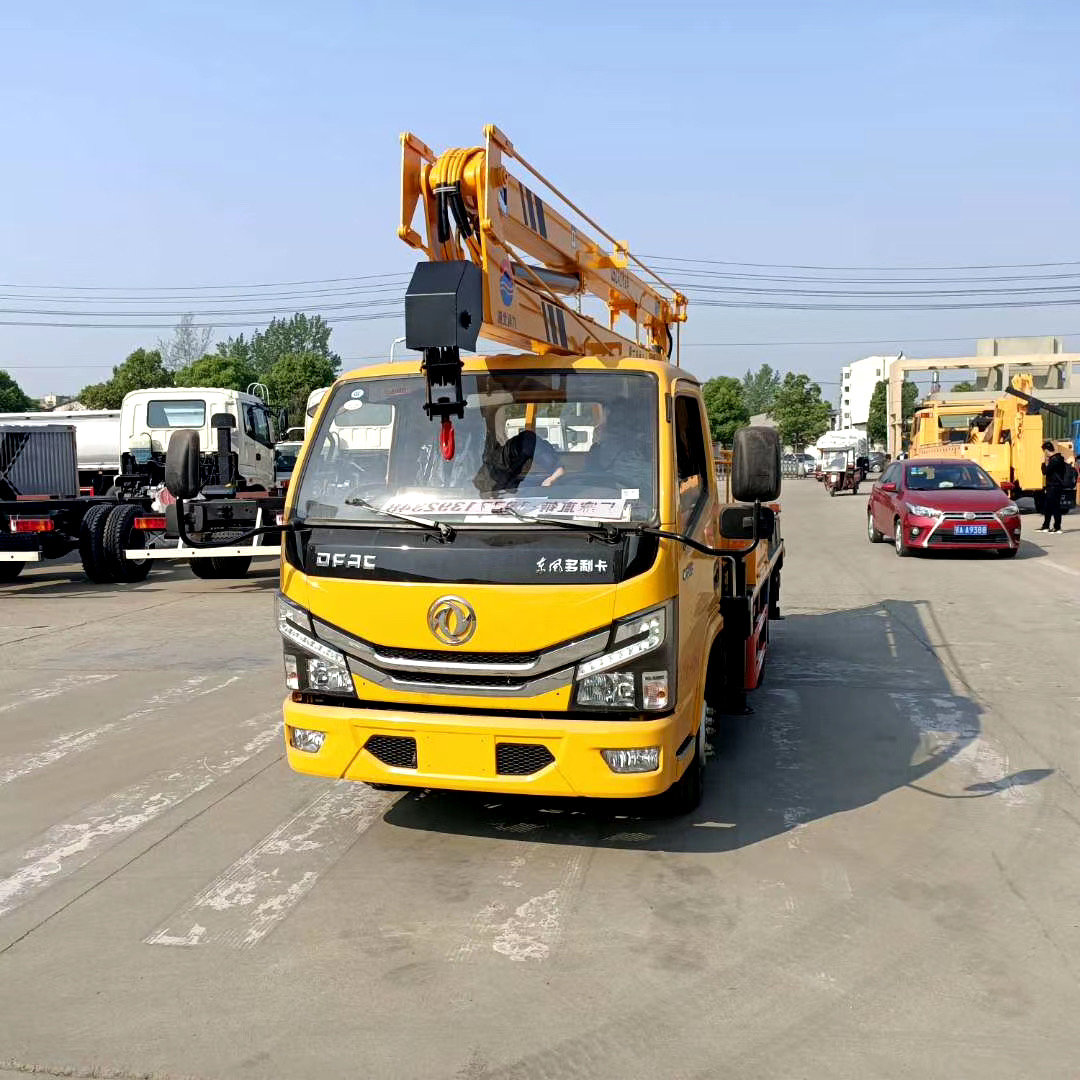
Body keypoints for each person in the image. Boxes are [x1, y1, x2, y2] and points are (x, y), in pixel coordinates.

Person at [1038, 440, 1066, 534]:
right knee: (1048, 507)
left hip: (1055, 486)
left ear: (1046, 450)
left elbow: (1045, 471)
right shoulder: (1057, 459)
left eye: (1044, 451)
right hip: (1052, 486)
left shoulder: (1055, 460)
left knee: (1055, 507)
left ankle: (1057, 527)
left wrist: (1044, 463)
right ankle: (1046, 526)